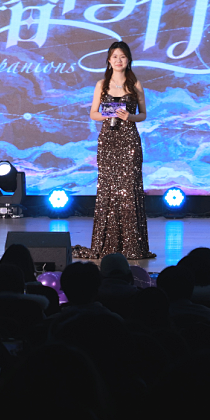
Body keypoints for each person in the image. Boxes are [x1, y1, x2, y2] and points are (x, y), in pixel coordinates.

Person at [73, 41, 154, 260]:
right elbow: (93, 113)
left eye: (123, 56)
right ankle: (108, 244)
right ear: (109, 60)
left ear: (128, 60)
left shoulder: (135, 84)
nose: (119, 60)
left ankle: (132, 245)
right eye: (115, 56)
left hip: (129, 141)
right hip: (108, 141)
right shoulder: (101, 84)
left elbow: (144, 114)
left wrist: (130, 116)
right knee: (108, 189)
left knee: (129, 190)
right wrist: (107, 114)